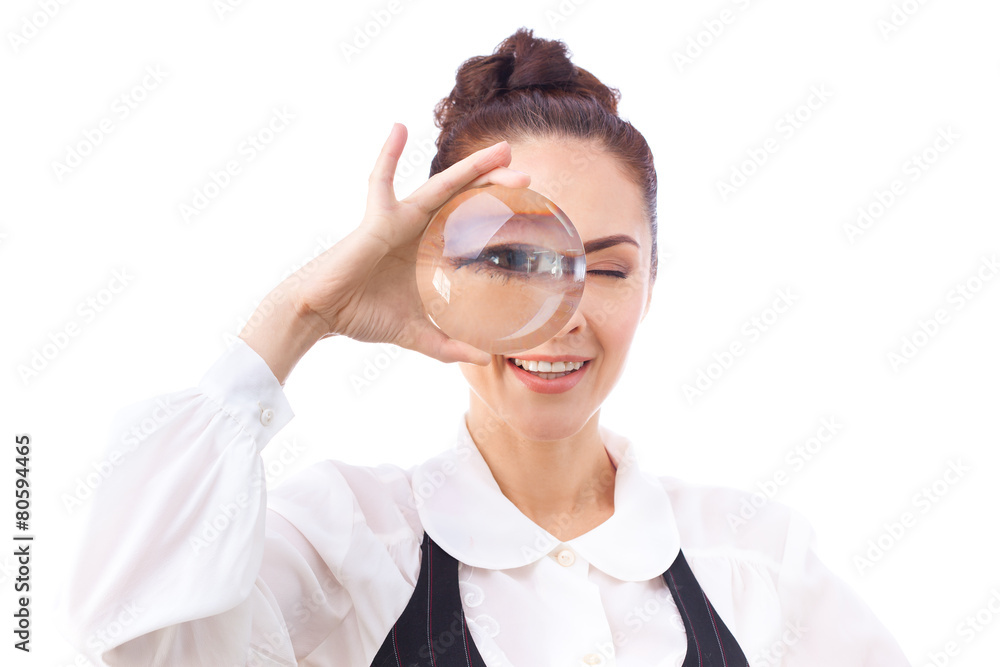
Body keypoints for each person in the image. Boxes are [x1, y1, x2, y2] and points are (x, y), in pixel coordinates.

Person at [56, 27, 912, 667]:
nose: (563, 312)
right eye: (511, 261)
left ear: (652, 284)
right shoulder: (349, 542)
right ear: (439, 269)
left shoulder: (752, 556)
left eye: (606, 269)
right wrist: (303, 310)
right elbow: (139, 640)